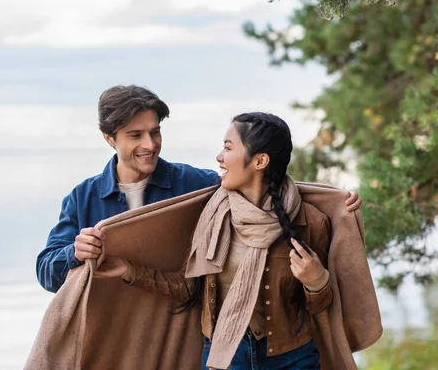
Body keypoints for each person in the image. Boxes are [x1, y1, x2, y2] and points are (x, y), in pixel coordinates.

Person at [36, 86, 361, 294]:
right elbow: (47, 273)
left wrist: (334, 202)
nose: (150, 145)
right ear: (109, 139)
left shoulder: (194, 185)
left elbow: (260, 185)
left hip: (177, 337)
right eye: (135, 136)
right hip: (115, 340)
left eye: (155, 132)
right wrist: (74, 253)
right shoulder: (83, 198)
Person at [95, 112, 354, 369]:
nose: (219, 157)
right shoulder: (212, 217)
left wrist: (315, 281)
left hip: (293, 359)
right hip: (226, 357)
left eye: (228, 148)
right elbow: (187, 288)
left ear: (260, 161)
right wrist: (128, 270)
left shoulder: (310, 222)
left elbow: (321, 307)